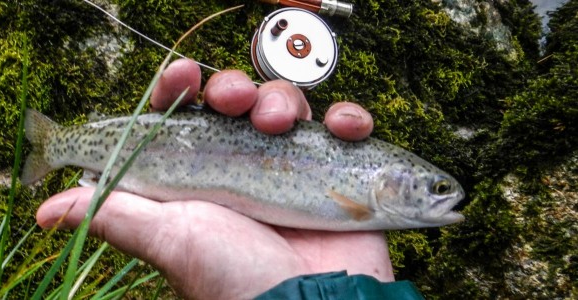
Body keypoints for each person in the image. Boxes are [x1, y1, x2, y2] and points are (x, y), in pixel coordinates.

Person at [35, 59, 424, 299]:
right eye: (436, 190)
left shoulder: (360, 221)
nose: (440, 198)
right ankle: (56, 141)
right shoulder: (361, 211)